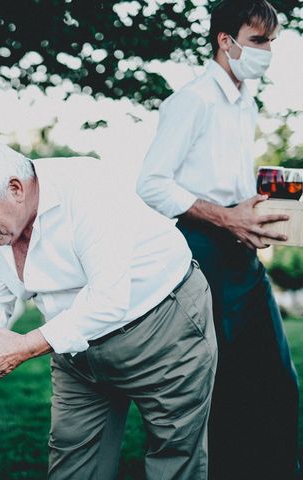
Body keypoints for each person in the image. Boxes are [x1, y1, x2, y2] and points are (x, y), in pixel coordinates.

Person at [0, 139, 218, 479]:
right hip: (73, 347)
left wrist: (25, 346)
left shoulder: (89, 188)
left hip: (161, 326)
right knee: (72, 460)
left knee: (174, 455)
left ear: (15, 188)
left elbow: (107, 299)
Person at [136, 1, 299, 478]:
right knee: (220, 385)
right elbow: (150, 184)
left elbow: (228, 182)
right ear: (225, 41)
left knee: (276, 382)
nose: (268, 51)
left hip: (243, 257)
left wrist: (262, 209)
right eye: (258, 40)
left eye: (272, 41)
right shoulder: (193, 99)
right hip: (200, 253)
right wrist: (228, 219)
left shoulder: (245, 98)